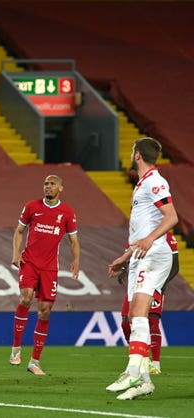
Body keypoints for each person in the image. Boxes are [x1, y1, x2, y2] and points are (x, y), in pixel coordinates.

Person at [106, 137, 178, 400]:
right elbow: (142, 231)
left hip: (154, 253)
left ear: (137, 155)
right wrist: (125, 257)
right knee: (133, 315)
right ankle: (143, 380)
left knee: (138, 312)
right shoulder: (143, 184)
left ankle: (134, 369)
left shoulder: (156, 182)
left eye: (131, 150)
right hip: (139, 255)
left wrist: (150, 239)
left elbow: (172, 217)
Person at [9, 174, 80, 375]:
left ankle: (35, 361)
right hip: (29, 261)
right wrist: (16, 253)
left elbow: (73, 240)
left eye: (52, 184)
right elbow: (19, 231)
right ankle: (16, 348)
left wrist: (76, 260)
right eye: (46, 184)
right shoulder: (32, 206)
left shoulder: (67, 212)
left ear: (60, 188)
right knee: (26, 297)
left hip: (50, 267)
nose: (48, 187)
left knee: (45, 310)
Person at [119, 232, 179, 375]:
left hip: (153, 284)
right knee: (126, 322)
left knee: (152, 321)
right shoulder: (135, 235)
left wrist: (160, 286)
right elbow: (130, 259)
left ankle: (155, 364)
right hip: (135, 285)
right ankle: (138, 359)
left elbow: (175, 266)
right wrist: (123, 270)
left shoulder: (168, 237)